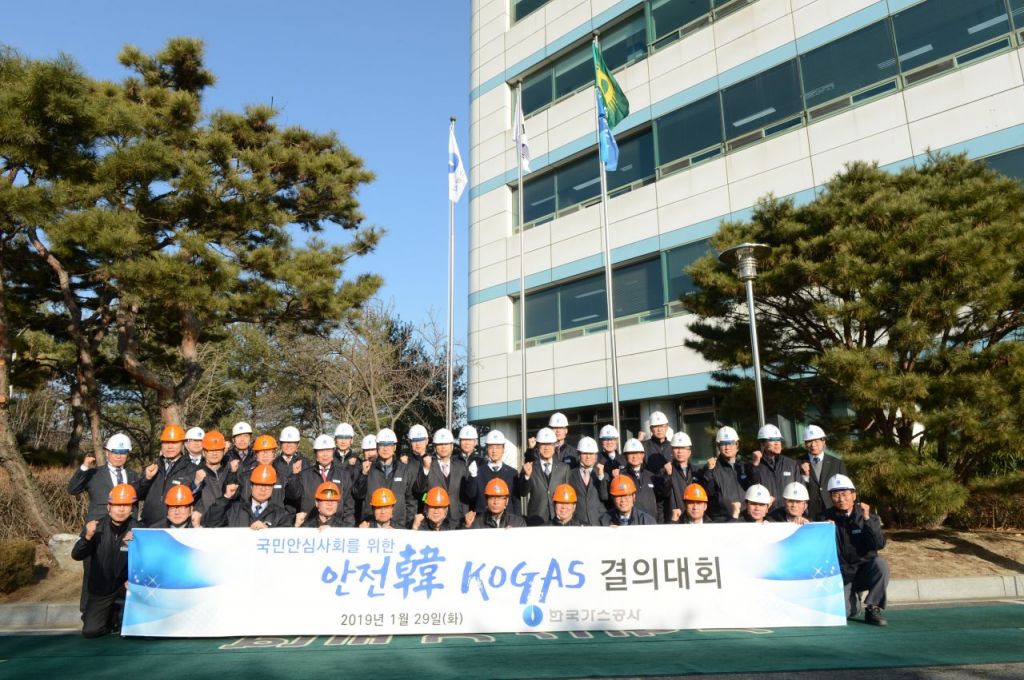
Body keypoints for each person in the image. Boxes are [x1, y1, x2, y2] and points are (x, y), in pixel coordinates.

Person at [67, 433, 141, 612]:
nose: (119, 456)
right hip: (98, 532)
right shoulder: (94, 474)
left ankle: (119, 614)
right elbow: (73, 489)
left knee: (123, 573)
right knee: (92, 572)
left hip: (126, 532)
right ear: (107, 452)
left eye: (123, 453)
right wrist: (84, 467)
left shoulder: (134, 475)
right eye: (115, 452)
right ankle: (88, 612)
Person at [821, 474, 889, 626]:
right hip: (841, 574)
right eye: (836, 495)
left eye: (845, 494)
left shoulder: (867, 516)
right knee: (844, 612)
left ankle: (873, 608)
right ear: (831, 498)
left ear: (853, 495)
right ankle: (854, 600)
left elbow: (878, 544)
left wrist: (867, 520)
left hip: (863, 570)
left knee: (881, 565)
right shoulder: (824, 518)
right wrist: (823, 529)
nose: (841, 499)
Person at [71, 483, 137, 638]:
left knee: (136, 631)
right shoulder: (96, 527)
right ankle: (110, 617)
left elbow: (151, 561)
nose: (121, 510)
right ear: (109, 507)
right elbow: (76, 555)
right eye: (117, 505)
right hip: (101, 588)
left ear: (132, 509)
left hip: (127, 587)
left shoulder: (139, 529)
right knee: (91, 631)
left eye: (126, 505)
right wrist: (87, 537)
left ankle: (120, 615)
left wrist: (135, 578)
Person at [287, 434, 358, 526]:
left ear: (333, 452)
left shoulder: (343, 475)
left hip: (336, 527)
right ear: (315, 454)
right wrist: (294, 476)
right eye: (321, 451)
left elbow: (349, 506)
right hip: (309, 526)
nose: (325, 455)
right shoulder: (304, 475)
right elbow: (293, 496)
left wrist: (347, 527)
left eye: (328, 450)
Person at [137, 424, 198, 527]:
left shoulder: (191, 469)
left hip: (174, 527)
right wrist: (147, 479)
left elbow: (195, 499)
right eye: (166, 442)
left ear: (182, 444)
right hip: (148, 526)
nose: (170, 447)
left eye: (174, 442)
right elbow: (138, 495)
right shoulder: (152, 467)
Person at [203, 464, 293, 529]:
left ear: (273, 488)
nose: (263, 489)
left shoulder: (281, 514)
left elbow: (285, 540)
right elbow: (210, 522)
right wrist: (226, 497)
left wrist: (268, 532)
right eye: (259, 485)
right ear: (251, 486)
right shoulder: (234, 510)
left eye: (268, 485)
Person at [360, 428, 417, 528]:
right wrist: (363, 474)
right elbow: (358, 494)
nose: (385, 449)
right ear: (377, 447)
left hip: (398, 526)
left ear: (394, 447)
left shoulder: (404, 470)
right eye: (382, 445)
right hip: (371, 525)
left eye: (389, 445)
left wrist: (408, 525)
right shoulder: (368, 469)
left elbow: (411, 501)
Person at [413, 428, 470, 526]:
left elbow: (467, 494)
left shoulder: (461, 466)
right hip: (435, 520)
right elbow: (419, 490)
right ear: (435, 447)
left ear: (452, 446)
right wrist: (426, 468)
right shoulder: (427, 465)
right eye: (440, 444)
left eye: (446, 444)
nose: (443, 447)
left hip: (458, 519)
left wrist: (465, 516)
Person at [515, 427, 571, 525]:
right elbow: (523, 493)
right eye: (543, 444)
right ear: (538, 446)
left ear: (555, 446)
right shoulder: (530, 467)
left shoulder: (564, 468)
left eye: (550, 444)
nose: (547, 448)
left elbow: (568, 494)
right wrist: (527, 476)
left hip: (558, 517)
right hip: (536, 517)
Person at [701, 426, 752, 523]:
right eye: (723, 444)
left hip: (746, 519)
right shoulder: (712, 467)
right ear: (718, 446)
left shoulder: (745, 466)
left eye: (730, 443)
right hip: (722, 521)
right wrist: (709, 471)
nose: (727, 447)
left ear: (737, 445)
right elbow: (708, 492)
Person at [465, 429, 520, 516]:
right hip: (483, 519)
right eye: (491, 447)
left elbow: (516, 501)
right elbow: (471, 495)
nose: (494, 451)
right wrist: (473, 476)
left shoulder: (512, 473)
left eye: (498, 447)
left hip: (507, 520)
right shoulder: (477, 471)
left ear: (503, 449)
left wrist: (517, 520)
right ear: (487, 449)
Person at [800, 424, 848, 520]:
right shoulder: (797, 463)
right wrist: (805, 476)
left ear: (824, 442)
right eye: (809, 442)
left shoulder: (837, 463)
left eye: (816, 441)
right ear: (805, 444)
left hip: (833, 510)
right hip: (809, 512)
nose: (813, 445)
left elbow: (846, 488)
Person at [751, 424, 800, 511]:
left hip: (788, 514)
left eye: (779, 440)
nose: (777, 443)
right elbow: (751, 490)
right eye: (772, 440)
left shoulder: (792, 464)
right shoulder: (755, 466)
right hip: (766, 515)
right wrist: (755, 466)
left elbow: (801, 492)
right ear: (762, 443)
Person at [617, 438, 663, 522]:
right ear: (625, 456)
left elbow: (659, 502)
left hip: (650, 522)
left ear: (643, 455)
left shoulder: (651, 476)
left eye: (637, 453)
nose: (634, 457)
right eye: (631, 453)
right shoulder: (620, 476)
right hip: (631, 523)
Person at [565, 436, 607, 526]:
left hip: (599, 522)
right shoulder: (570, 474)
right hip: (577, 522)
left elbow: (604, 497)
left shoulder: (603, 475)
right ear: (579, 455)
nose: (588, 457)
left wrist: (601, 477)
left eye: (591, 454)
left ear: (596, 456)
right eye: (584, 453)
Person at [662, 430, 701, 523]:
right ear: (672, 451)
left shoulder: (697, 471)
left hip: (695, 518)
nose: (679, 451)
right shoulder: (665, 471)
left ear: (689, 452)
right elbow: (663, 494)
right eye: (676, 448)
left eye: (683, 448)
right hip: (675, 519)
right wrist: (667, 476)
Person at [193, 431, 229, 523]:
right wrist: (196, 483)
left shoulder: (231, 471)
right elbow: (186, 497)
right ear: (203, 453)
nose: (214, 453)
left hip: (229, 526)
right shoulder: (194, 472)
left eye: (218, 450)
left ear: (224, 451)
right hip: (204, 524)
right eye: (210, 450)